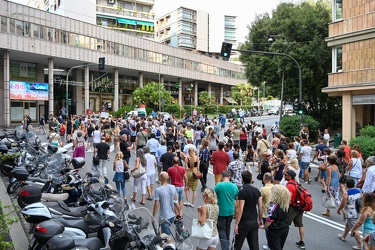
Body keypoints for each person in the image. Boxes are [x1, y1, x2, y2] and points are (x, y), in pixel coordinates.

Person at [234, 171, 262, 250]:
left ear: (242, 180)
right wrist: (260, 220)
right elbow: (260, 207)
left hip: (244, 222)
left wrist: (236, 224)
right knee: (254, 246)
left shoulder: (242, 192)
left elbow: (240, 209)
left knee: (237, 245)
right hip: (254, 221)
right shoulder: (257, 190)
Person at [259, 185, 291, 250]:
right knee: (280, 247)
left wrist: (264, 227)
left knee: (275, 247)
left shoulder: (273, 206)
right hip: (285, 228)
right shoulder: (285, 204)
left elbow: (269, 219)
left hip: (275, 230)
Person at [214, 171, 238, 250]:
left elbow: (213, 196)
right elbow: (236, 199)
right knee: (228, 227)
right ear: (229, 177)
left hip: (221, 210)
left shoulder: (219, 185)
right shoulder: (234, 186)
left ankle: (225, 247)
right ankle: (227, 242)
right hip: (231, 211)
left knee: (221, 228)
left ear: (222, 176)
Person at [337, 178, 362, 246]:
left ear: (346, 185)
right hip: (358, 210)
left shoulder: (346, 193)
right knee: (348, 224)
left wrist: (339, 209)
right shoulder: (358, 190)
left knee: (354, 228)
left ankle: (360, 244)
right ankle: (344, 236)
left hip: (351, 212)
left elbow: (343, 204)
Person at [285, 170, 306, 249]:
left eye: (286, 175)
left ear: (290, 176)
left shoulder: (289, 185)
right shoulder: (297, 183)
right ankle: (302, 241)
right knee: (300, 224)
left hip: (292, 207)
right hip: (300, 206)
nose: (284, 175)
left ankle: (282, 238)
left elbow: (289, 198)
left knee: (286, 223)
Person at [153, 172, 178, 236]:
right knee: (163, 232)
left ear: (160, 178)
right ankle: (161, 245)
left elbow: (156, 205)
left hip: (164, 216)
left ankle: (171, 244)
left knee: (168, 235)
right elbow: (176, 200)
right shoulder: (173, 187)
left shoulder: (158, 190)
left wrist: (153, 216)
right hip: (172, 215)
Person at [260, 173, 273, 250]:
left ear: (265, 179)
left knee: (267, 229)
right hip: (274, 211)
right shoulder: (275, 187)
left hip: (266, 212)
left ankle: (269, 245)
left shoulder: (263, 189)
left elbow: (259, 201)